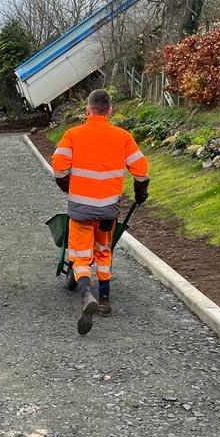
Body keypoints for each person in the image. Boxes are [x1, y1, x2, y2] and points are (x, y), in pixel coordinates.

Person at [51, 89, 149, 335]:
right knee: (104, 252)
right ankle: (104, 300)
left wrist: (67, 187)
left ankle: (86, 294)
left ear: (87, 110)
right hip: (108, 212)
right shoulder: (123, 137)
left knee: (81, 256)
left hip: (81, 210)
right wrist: (140, 193)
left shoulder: (73, 135)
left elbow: (59, 167)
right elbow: (141, 171)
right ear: (110, 111)